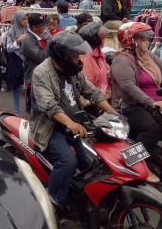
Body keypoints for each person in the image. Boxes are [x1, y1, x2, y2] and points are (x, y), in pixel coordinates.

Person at [30, 31, 117, 212]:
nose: (79, 59)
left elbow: (91, 92)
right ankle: (52, 204)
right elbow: (49, 105)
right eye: (74, 55)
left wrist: (114, 113)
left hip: (75, 127)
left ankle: (81, 201)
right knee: (67, 162)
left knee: (89, 165)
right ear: (62, 57)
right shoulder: (41, 73)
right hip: (51, 129)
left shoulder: (73, 71)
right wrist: (69, 123)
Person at [110, 22, 162, 183]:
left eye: (147, 39)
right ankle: (135, 164)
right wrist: (150, 102)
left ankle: (153, 161)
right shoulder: (122, 60)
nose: (147, 42)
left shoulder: (147, 56)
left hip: (144, 105)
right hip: (127, 107)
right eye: (143, 39)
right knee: (151, 129)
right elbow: (129, 87)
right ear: (131, 41)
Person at [21, 13, 51, 119]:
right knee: (31, 107)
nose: (45, 27)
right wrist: (49, 42)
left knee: (42, 106)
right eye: (42, 26)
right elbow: (40, 57)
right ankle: (27, 131)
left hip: (44, 77)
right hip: (33, 79)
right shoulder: (28, 40)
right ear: (34, 27)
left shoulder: (41, 36)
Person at [77, 22, 112, 110]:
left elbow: (109, 73)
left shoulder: (99, 55)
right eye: (102, 38)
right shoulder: (86, 58)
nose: (104, 40)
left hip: (104, 98)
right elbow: (87, 87)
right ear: (96, 40)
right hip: (94, 103)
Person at [4, 10, 28, 116]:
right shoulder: (11, 31)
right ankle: (17, 112)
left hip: (27, 61)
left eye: (27, 19)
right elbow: (8, 48)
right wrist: (17, 41)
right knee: (16, 87)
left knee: (29, 88)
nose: (26, 21)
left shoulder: (28, 30)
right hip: (16, 61)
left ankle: (29, 110)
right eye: (23, 19)